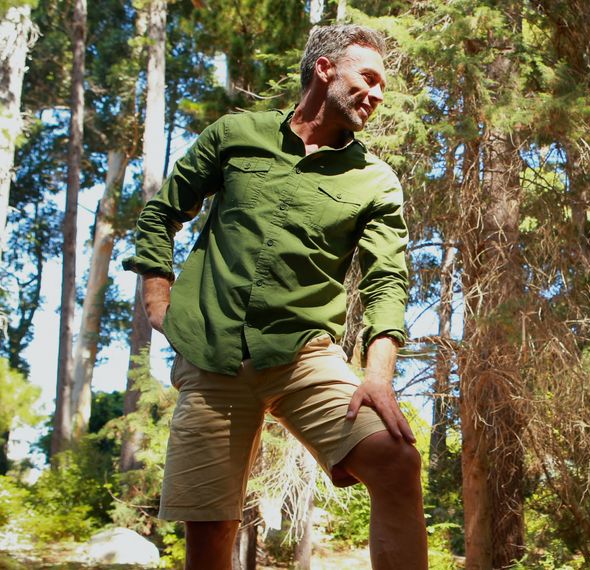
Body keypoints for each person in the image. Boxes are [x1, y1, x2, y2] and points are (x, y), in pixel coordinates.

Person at [122, 25, 427, 570]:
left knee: (396, 461)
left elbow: (386, 279)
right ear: (325, 69)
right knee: (211, 527)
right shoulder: (236, 134)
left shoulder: (375, 181)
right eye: (369, 78)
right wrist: (156, 299)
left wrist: (377, 375)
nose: (378, 95)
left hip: (304, 355)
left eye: (384, 87)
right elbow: (161, 211)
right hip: (212, 353)